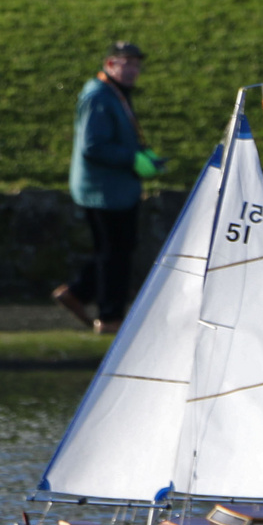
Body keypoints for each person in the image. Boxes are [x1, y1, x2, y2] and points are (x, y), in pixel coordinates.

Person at [53, 41, 166, 335]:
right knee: (114, 253)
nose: (132, 70)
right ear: (109, 64)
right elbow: (93, 146)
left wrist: (143, 156)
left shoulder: (113, 93)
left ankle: (77, 294)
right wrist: (132, 158)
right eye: (124, 63)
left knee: (117, 249)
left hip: (113, 188)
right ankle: (110, 317)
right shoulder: (99, 96)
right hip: (103, 190)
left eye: (136, 64)